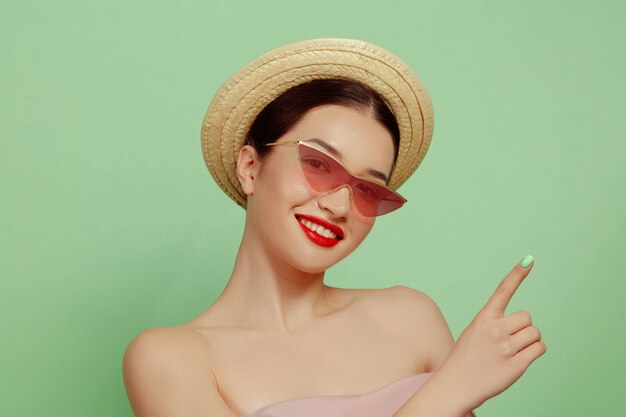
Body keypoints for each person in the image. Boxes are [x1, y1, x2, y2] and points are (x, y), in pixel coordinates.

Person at [122, 38, 546, 417]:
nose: (340, 205)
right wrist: (447, 392)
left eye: (366, 188)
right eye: (318, 164)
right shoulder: (171, 359)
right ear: (250, 167)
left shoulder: (411, 318)